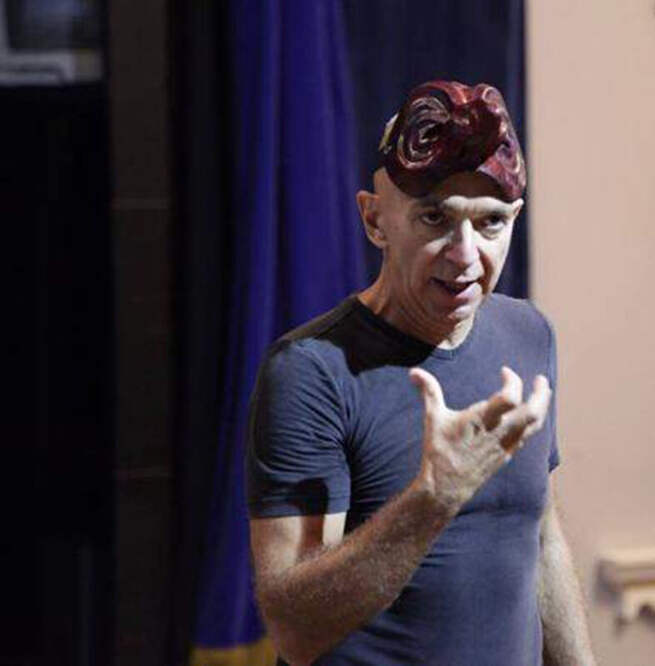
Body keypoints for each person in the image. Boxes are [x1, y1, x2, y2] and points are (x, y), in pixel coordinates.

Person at [245, 80, 595, 666]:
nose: (465, 255)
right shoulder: (310, 372)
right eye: (435, 218)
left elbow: (542, 539)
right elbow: (295, 632)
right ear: (375, 219)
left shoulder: (529, 335)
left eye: (490, 223)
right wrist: (434, 498)